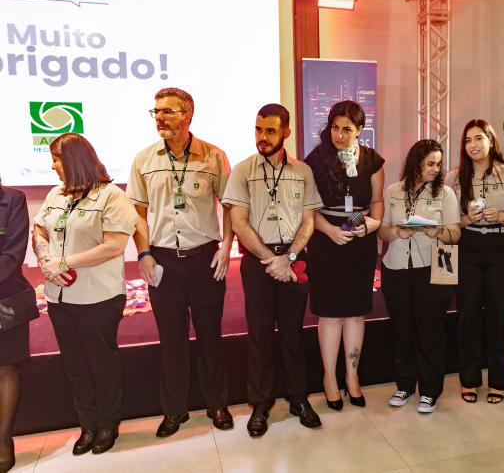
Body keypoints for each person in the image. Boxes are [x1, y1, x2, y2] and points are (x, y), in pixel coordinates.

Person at [127, 88, 234, 437]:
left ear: (187, 114)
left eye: (168, 111)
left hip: (205, 259)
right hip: (163, 262)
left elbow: (231, 206)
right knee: (171, 340)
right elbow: (137, 213)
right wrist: (143, 254)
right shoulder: (144, 159)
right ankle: (174, 410)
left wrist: (227, 246)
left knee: (210, 336)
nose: (160, 117)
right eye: (156, 111)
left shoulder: (213, 156)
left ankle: (217, 403)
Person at [32, 134, 138, 455]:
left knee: (101, 363)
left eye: (57, 159)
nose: (53, 166)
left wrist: (64, 262)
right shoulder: (55, 194)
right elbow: (39, 230)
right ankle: (87, 423)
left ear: (75, 161)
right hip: (59, 297)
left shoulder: (111, 196)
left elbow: (114, 246)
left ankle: (108, 423)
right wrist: (45, 259)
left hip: (98, 298)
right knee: (75, 364)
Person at [222, 103, 323, 437]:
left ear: (286, 132)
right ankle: (260, 404)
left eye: (270, 131)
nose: (262, 137)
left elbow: (308, 221)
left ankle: (298, 399)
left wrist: (289, 258)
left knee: (293, 333)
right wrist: (271, 260)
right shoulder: (242, 171)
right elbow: (239, 222)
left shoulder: (303, 172)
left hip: (294, 260)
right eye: (258, 129)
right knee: (260, 335)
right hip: (258, 262)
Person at [304, 101, 384, 410]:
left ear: (360, 130)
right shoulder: (316, 159)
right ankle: (329, 378)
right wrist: (328, 230)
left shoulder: (372, 160)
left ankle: (352, 376)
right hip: (326, 241)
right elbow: (307, 208)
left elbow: (377, 201)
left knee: (356, 312)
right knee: (330, 313)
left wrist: (372, 224)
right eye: (335, 128)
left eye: (346, 129)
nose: (338, 135)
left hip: (360, 241)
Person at [446, 119, 504, 404]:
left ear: (491, 141)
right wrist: (466, 219)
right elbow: (447, 221)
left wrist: (501, 216)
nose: (473, 145)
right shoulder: (454, 177)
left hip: (502, 250)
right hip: (468, 249)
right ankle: (469, 380)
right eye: (468, 140)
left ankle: (498, 382)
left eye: (479, 138)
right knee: (467, 317)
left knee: (499, 317)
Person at [378, 139, 461, 413]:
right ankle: (404, 385)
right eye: (430, 164)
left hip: (434, 269)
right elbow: (383, 232)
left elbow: (456, 234)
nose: (436, 169)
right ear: (415, 163)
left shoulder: (445, 193)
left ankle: (429, 390)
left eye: (438, 164)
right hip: (396, 268)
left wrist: (439, 232)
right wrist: (396, 232)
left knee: (430, 331)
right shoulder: (393, 191)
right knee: (402, 330)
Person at [0, 179, 34, 472]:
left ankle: (2, 439)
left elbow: (13, 252)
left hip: (6, 298)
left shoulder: (12, 200)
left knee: (6, 367)